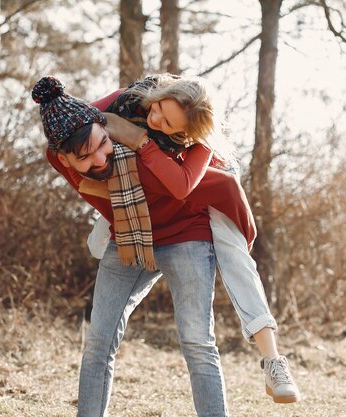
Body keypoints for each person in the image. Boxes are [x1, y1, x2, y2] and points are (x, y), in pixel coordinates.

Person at [87, 74, 301, 404]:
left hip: (198, 219)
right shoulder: (135, 99)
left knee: (201, 334)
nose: (154, 117)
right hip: (136, 218)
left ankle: (273, 360)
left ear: (184, 133)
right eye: (158, 107)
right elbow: (83, 120)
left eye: (167, 121)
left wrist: (140, 141)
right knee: (98, 333)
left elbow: (182, 186)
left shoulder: (202, 145)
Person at [32, 75, 234, 417]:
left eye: (101, 144)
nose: (99, 159)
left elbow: (190, 184)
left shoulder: (139, 116)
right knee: (98, 342)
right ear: (66, 159)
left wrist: (141, 140)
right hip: (130, 237)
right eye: (84, 158)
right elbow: (61, 156)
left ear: (102, 125)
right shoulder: (68, 147)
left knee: (197, 342)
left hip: (187, 232)